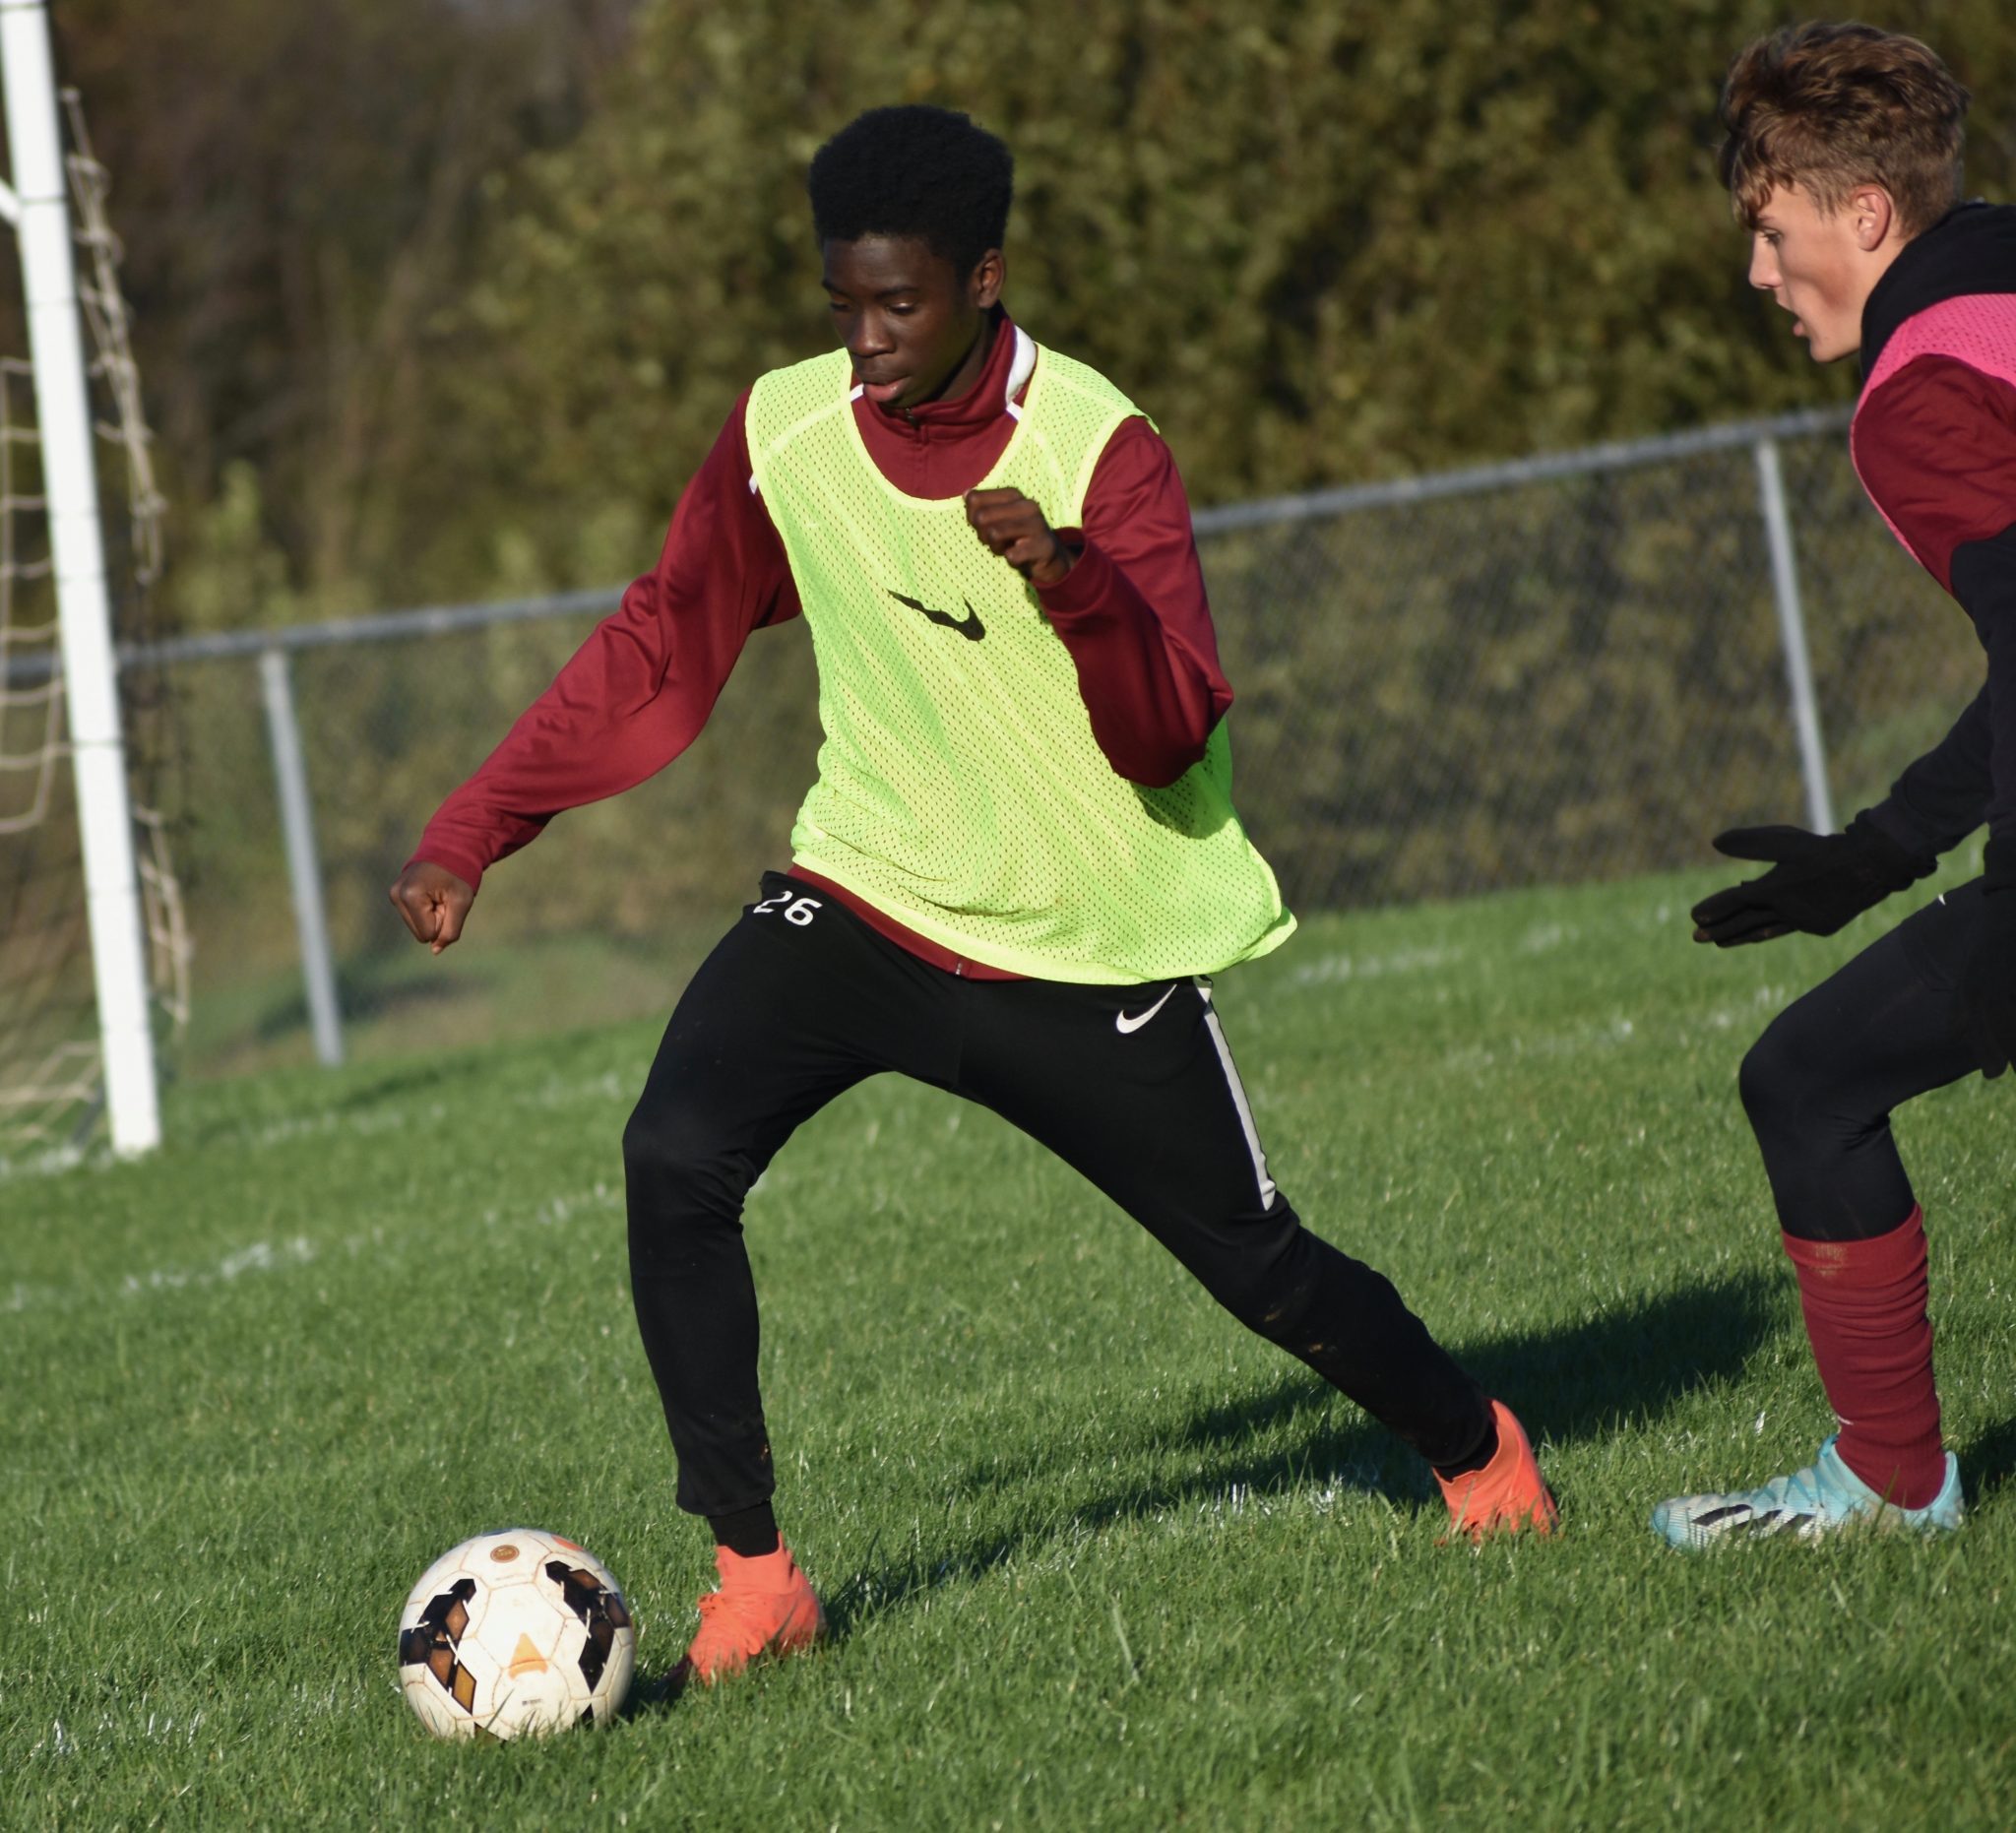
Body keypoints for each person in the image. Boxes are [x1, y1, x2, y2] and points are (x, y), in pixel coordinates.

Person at [392, 104, 1554, 1680]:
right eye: (840, 305)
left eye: (900, 306)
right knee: (672, 1150)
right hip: (864, 896)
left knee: (1259, 1265)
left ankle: (1476, 1446)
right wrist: (479, 823)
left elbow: (1168, 731)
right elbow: (662, 641)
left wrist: (1072, 579)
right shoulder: (785, 432)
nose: (864, 341)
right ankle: (756, 1573)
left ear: (985, 279)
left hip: (1084, 944)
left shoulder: (1100, 446)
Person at [1655, 21, 2014, 1547]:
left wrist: (1879, 851)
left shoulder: (1920, 392)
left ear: (1863, 216)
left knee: (1805, 1079)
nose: (1755, 273)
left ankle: (1889, 1482)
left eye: (1769, 227)